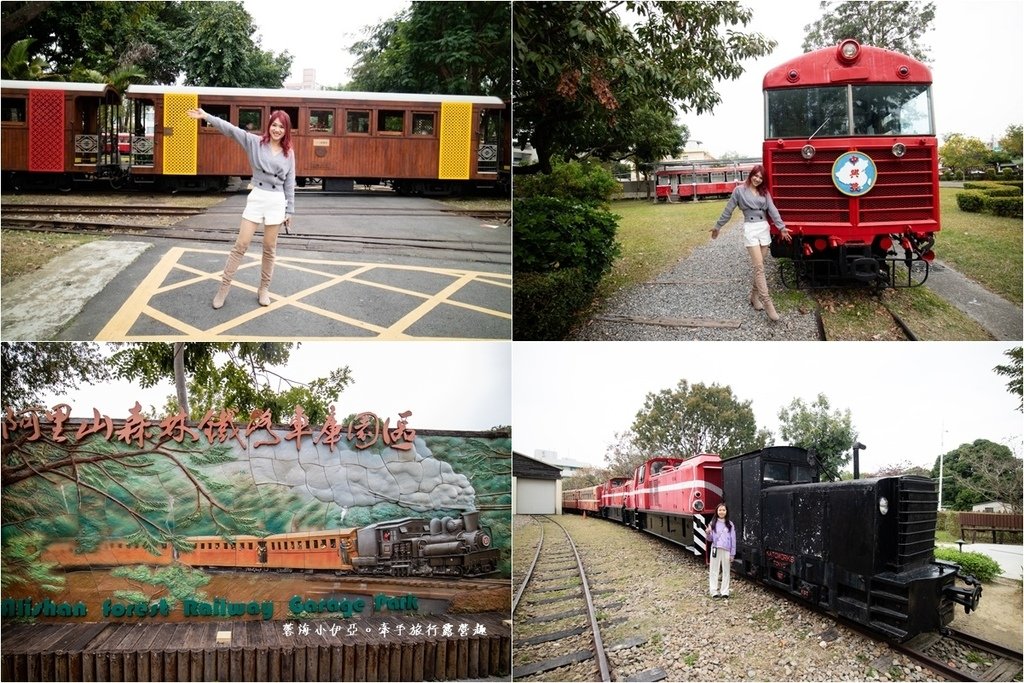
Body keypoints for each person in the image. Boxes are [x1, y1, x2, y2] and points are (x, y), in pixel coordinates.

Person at [186, 107, 295, 309]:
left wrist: (289, 211)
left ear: (286, 129)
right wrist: (207, 116)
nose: (277, 129)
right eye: (274, 125)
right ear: (269, 126)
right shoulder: (255, 142)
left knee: (269, 249)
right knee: (241, 245)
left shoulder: (289, 154)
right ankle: (223, 288)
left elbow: (290, 183)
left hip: (277, 201)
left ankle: (264, 289)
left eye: (281, 126)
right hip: (257, 197)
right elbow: (231, 129)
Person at [711, 166, 791, 322]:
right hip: (751, 229)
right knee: (759, 268)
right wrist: (718, 226)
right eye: (756, 176)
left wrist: (781, 227)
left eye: (761, 178)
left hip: (764, 229)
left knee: (760, 267)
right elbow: (728, 210)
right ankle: (767, 302)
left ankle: (754, 297)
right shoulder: (739, 191)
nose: (757, 179)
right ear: (751, 175)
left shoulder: (764, 192)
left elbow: (773, 210)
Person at [708, 502, 736, 598]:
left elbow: (733, 539)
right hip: (715, 549)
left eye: (723, 510)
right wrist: (708, 533)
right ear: (717, 511)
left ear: (726, 511)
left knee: (726, 571)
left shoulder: (730, 524)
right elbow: (710, 539)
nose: (721, 512)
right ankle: (714, 591)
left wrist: (732, 553)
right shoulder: (713, 523)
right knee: (714, 570)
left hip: (726, 550)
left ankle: (725, 591)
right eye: (720, 510)